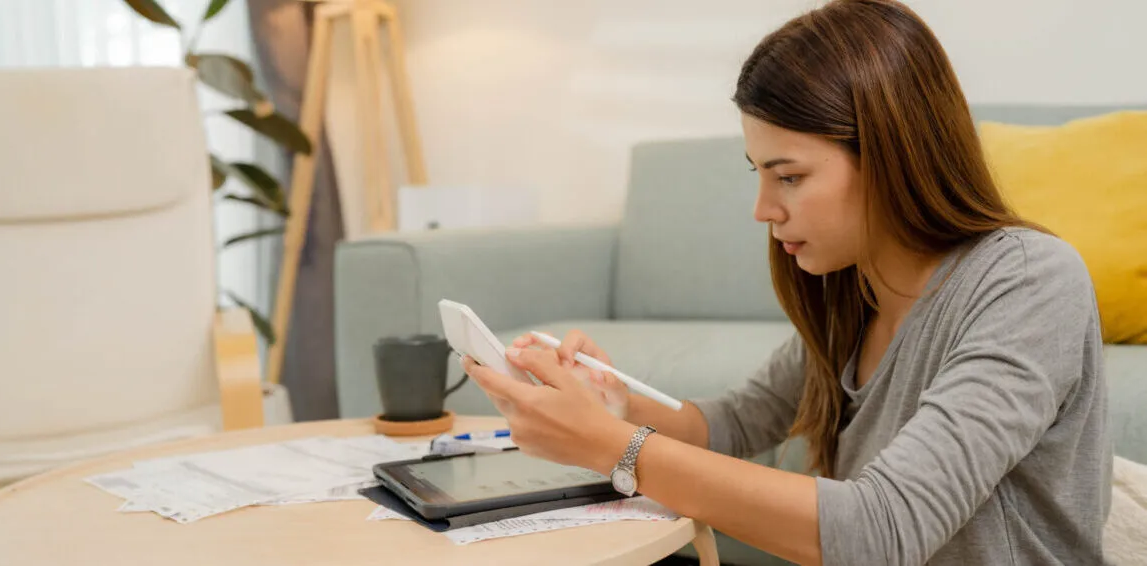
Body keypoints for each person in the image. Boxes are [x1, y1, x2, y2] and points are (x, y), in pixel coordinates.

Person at [461, 0, 1111, 564]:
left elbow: (884, 530)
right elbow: (734, 423)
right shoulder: (853, 295)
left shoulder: (1028, 282)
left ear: (890, 154)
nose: (763, 208)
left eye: (789, 176)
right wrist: (616, 404)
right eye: (758, 173)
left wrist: (615, 447)